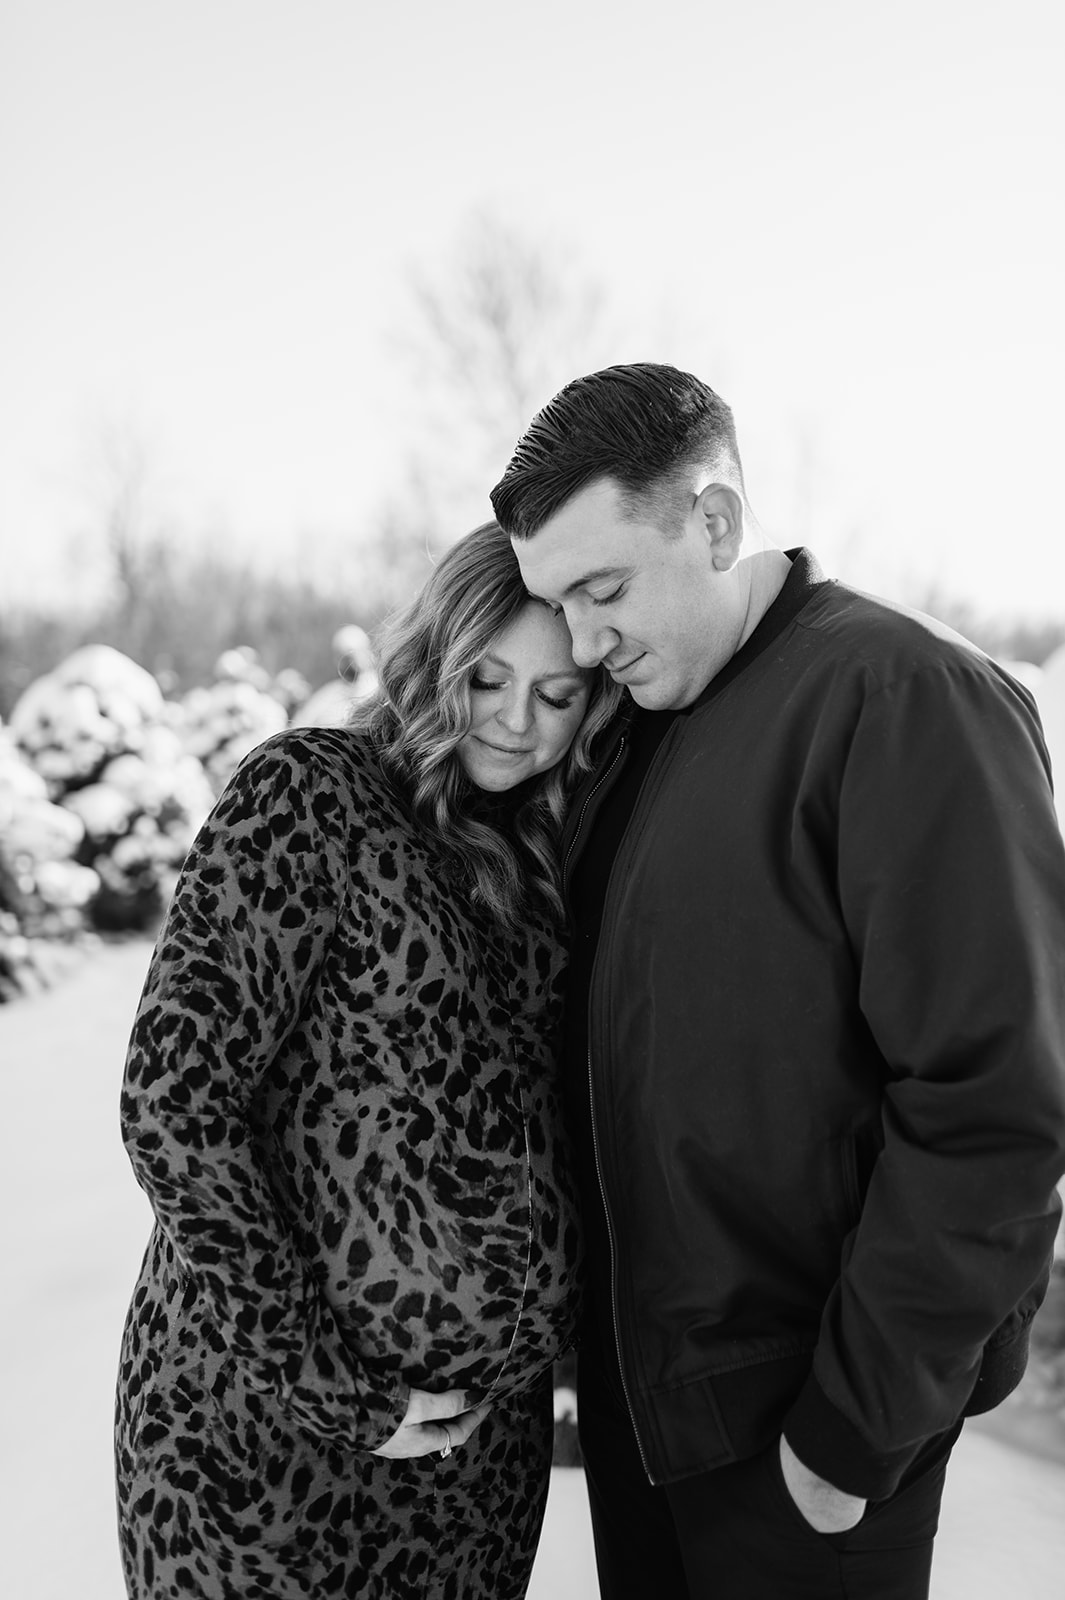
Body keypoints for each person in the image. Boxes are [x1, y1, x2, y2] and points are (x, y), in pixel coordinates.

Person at [489, 363, 1065, 1600]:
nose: (582, 641)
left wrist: (847, 1436)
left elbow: (994, 1102)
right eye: (557, 601)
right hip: (651, 1423)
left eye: (603, 589)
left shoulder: (905, 698)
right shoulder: (636, 721)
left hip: (800, 1443)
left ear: (713, 521)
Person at [114, 518, 623, 1600]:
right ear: (438, 653)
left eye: (558, 694)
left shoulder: (546, 850)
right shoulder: (311, 794)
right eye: (487, 678)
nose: (516, 721)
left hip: (475, 1467)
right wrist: (330, 1382)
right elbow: (173, 1103)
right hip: (267, 1448)